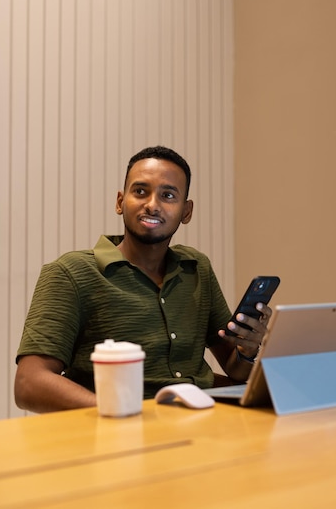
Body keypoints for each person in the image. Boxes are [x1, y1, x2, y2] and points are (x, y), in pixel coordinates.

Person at [14, 145, 272, 413]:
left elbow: (234, 368)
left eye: (168, 195)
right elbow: (29, 384)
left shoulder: (196, 269)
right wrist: (127, 413)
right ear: (119, 202)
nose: (152, 205)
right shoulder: (72, 272)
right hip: (116, 433)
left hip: (200, 422)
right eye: (140, 192)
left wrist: (247, 350)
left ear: (186, 212)